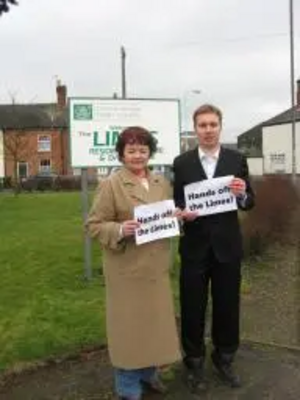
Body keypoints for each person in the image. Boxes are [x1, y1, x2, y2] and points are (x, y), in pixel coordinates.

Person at [86, 126, 181, 400]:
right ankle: (127, 386)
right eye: (131, 150)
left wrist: (176, 215)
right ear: (121, 154)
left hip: (155, 268)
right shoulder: (111, 185)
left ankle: (148, 374)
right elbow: (93, 226)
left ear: (149, 151)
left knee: (153, 325)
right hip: (126, 269)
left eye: (142, 149)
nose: (138, 155)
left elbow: (163, 217)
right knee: (129, 329)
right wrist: (119, 230)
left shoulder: (162, 183)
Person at [173, 104, 255, 392]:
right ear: (195, 129)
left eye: (212, 124)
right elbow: (177, 204)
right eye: (202, 125)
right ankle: (193, 361)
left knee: (227, 305)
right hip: (195, 246)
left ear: (220, 127)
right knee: (192, 306)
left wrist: (242, 193)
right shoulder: (181, 163)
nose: (208, 130)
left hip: (227, 247)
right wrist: (182, 213)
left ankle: (224, 357)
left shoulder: (236, 159)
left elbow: (249, 200)